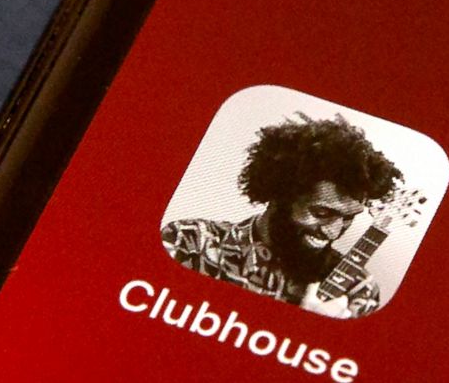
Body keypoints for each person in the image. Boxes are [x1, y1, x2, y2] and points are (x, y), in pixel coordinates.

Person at [161, 113, 402, 319]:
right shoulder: (189, 242)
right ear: (281, 195)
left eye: (348, 218)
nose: (333, 232)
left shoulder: (359, 289)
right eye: (321, 213)